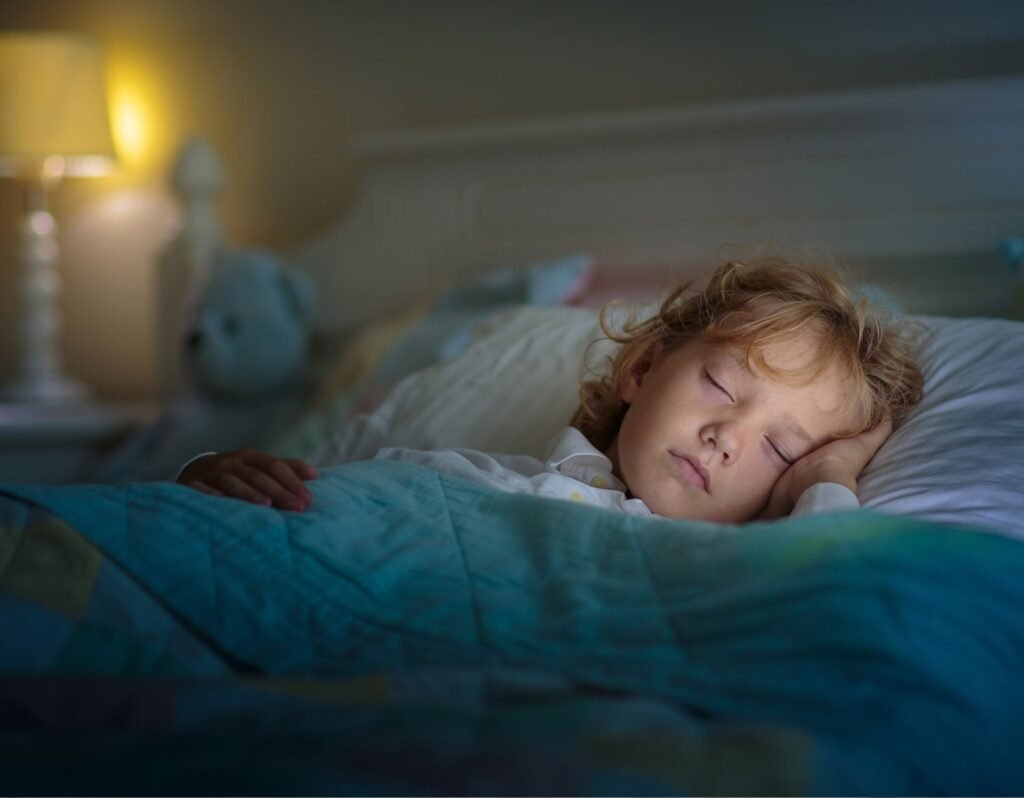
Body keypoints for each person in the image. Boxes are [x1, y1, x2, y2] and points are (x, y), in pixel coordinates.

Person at [177, 256, 924, 523]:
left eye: (779, 446)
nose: (726, 437)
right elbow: (309, 515)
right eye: (723, 386)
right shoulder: (472, 480)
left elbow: (836, 590)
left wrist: (830, 477)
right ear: (640, 371)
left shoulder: (748, 566)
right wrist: (200, 482)